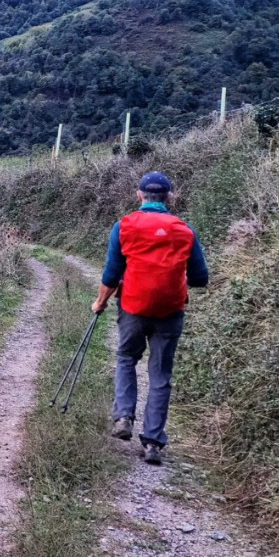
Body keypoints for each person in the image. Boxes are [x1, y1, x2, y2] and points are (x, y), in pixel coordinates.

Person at [90, 171, 209, 465]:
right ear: (170, 197)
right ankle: (153, 443)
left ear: (139, 195)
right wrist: (176, 279)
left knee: (126, 358)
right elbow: (200, 278)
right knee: (160, 374)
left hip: (133, 306)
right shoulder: (185, 231)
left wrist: (100, 302)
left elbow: (111, 274)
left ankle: (123, 417)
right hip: (170, 311)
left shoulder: (124, 226)